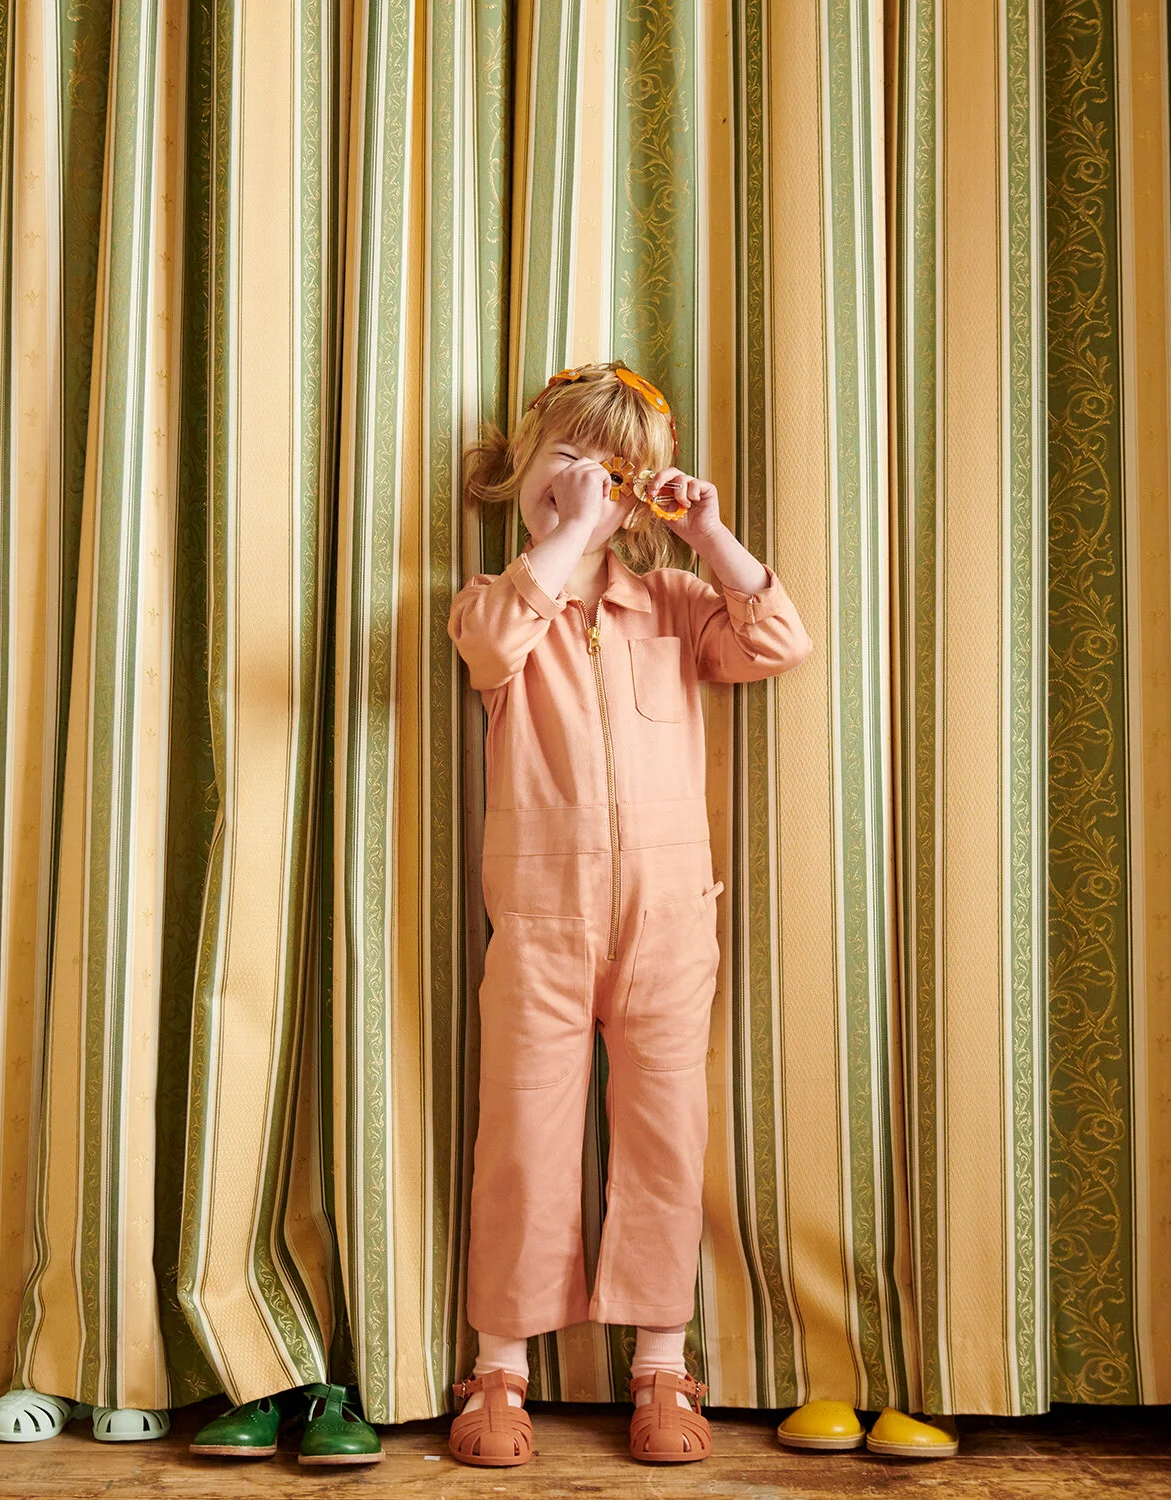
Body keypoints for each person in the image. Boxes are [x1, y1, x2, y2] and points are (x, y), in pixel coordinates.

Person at [443, 362, 810, 1468]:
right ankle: (499, 1367)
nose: (584, 480)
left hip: (668, 923)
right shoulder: (502, 601)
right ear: (521, 470)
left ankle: (661, 1362)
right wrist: (567, 532)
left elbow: (778, 641)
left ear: (642, 494)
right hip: (542, 923)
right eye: (564, 457)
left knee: (664, 1133)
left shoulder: (676, 605)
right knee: (524, 1136)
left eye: (611, 472)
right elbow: (490, 648)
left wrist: (708, 536)